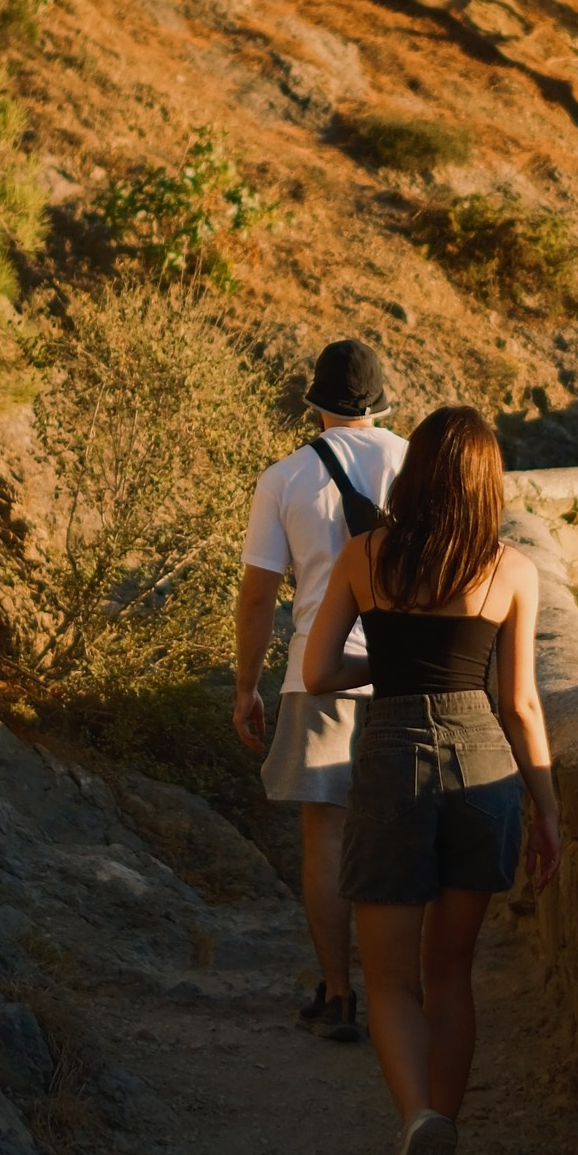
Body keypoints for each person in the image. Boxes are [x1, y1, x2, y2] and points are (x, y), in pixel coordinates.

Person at [300, 402, 562, 1155]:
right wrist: (548, 813)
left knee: (390, 980)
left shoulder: (362, 557)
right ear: (488, 487)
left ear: (412, 475)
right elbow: (518, 703)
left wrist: (387, 664)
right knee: (453, 970)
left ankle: (419, 1122)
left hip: (392, 761)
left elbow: (315, 674)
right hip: (483, 766)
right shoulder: (511, 571)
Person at [233, 338, 408, 1044]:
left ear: (316, 403)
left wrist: (247, 686)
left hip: (317, 673)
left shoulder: (284, 479)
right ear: (382, 402)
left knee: (326, 842)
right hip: (404, 673)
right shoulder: (415, 461)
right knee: (400, 837)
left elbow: (257, 598)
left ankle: (338, 995)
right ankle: (402, 992)